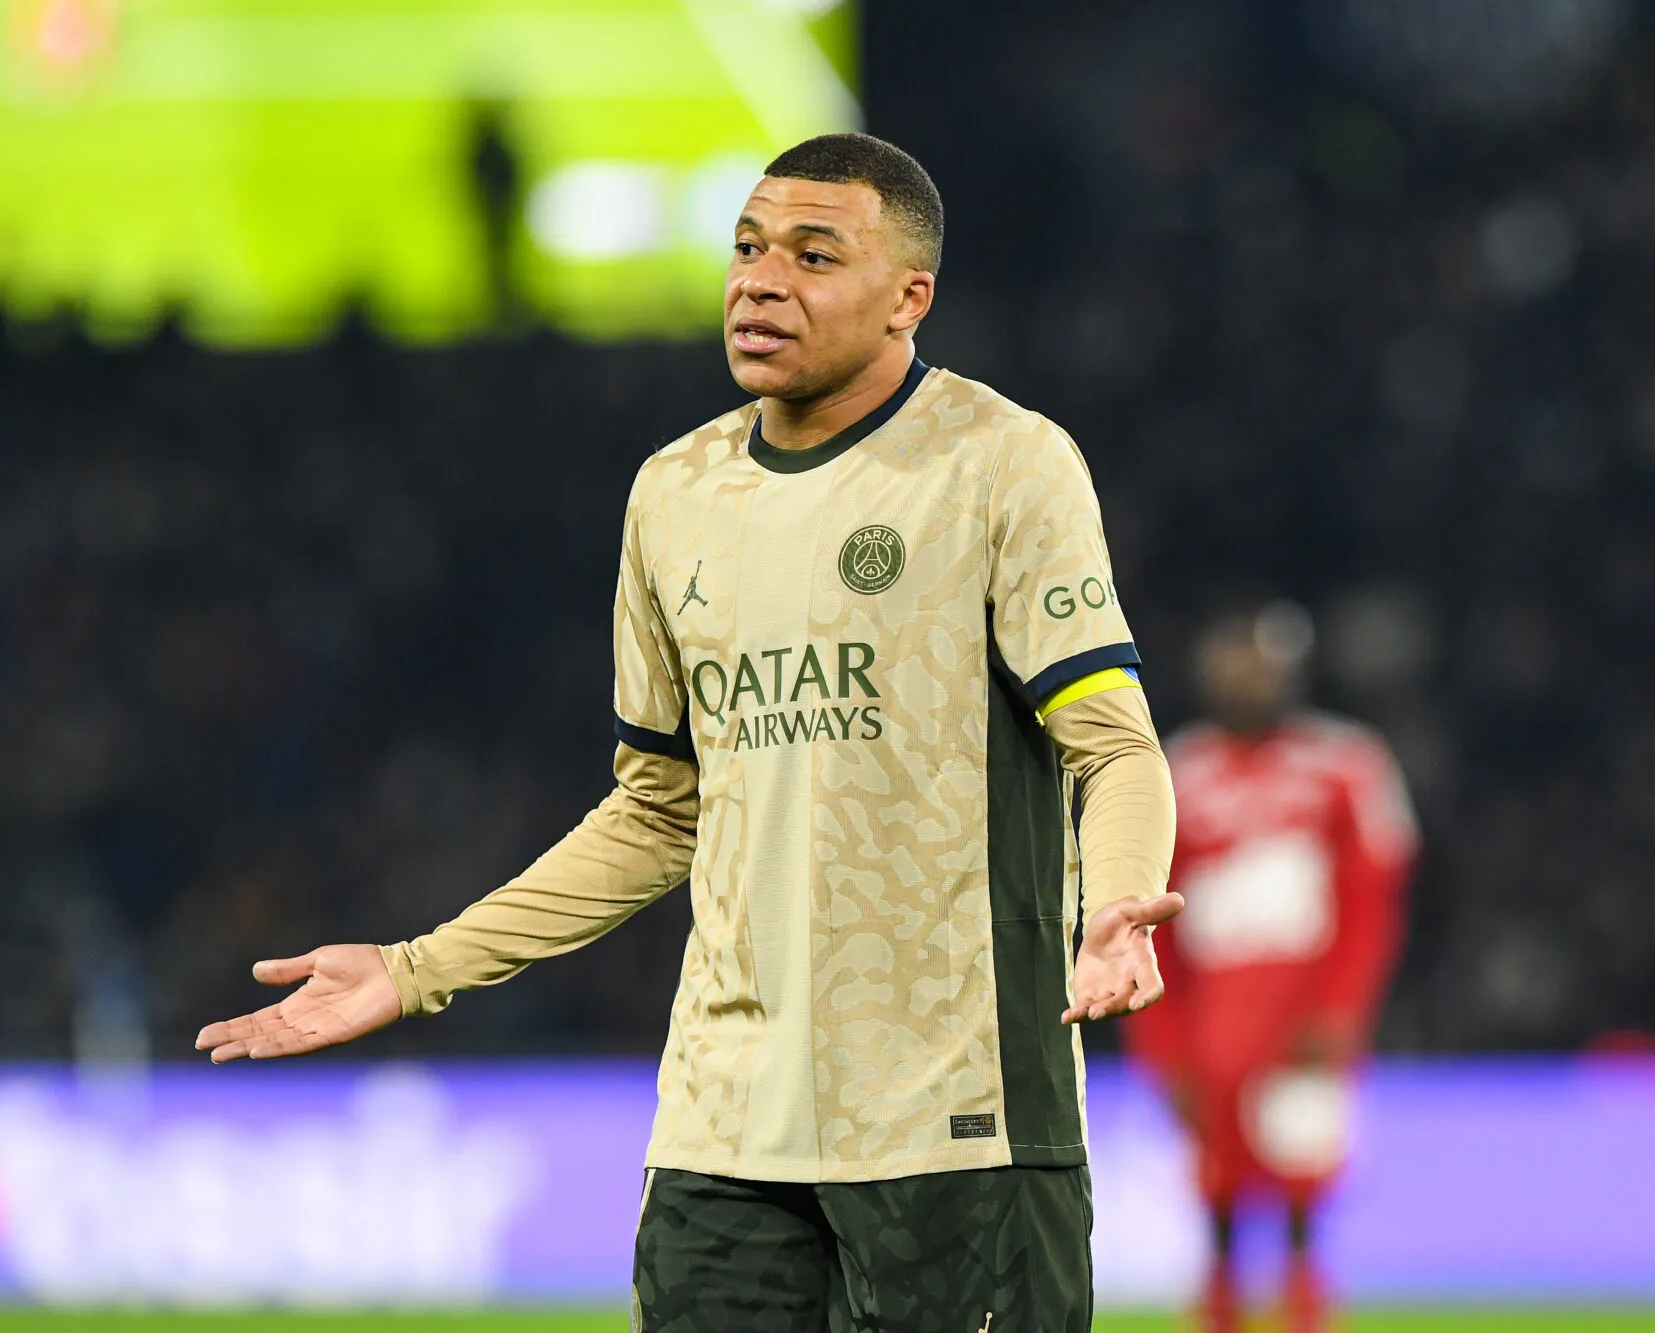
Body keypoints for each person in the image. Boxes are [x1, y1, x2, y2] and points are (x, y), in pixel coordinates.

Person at [195, 132, 1181, 1331]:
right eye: (748, 247)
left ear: (907, 299)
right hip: (723, 1130)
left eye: (814, 256)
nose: (761, 281)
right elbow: (662, 806)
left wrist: (1117, 900)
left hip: (956, 1120)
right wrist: (417, 969)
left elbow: (1114, 748)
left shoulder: (1000, 464)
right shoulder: (674, 493)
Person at [1122, 599, 1418, 1333]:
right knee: (1216, 1164)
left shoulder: (1345, 764)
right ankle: (1221, 1290)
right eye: (1235, 661)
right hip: (1214, 1011)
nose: (1250, 677)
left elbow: (1371, 899)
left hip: (1302, 1010)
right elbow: (1144, 920)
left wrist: (1342, 1010)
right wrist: (1160, 1044)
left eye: (1263, 662)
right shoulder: (1175, 773)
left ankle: (1301, 1291)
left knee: (1303, 1152)